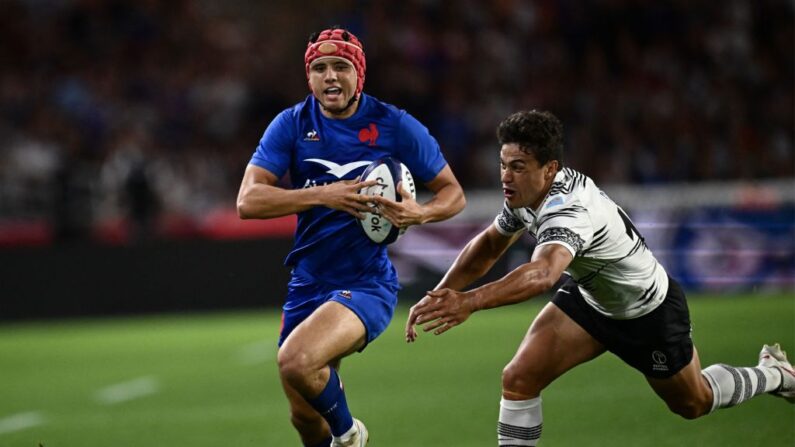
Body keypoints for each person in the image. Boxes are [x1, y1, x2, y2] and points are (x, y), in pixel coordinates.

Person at [405, 110, 793, 446]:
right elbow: (489, 245)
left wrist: (470, 301)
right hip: (591, 299)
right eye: (503, 164)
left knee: (694, 403)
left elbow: (542, 274)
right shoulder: (525, 195)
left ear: (550, 168)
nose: (506, 176)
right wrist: (441, 294)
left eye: (518, 166)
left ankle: (773, 374)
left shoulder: (570, 209)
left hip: (646, 310)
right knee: (519, 378)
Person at [237, 26, 465, 447]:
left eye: (341, 66)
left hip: (365, 282)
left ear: (359, 74)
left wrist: (422, 212)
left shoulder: (394, 124)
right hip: (307, 282)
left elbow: (453, 194)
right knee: (304, 418)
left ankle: (350, 435)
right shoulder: (290, 125)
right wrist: (324, 194)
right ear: (309, 77)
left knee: (295, 361)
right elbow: (248, 201)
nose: (330, 77)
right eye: (319, 68)